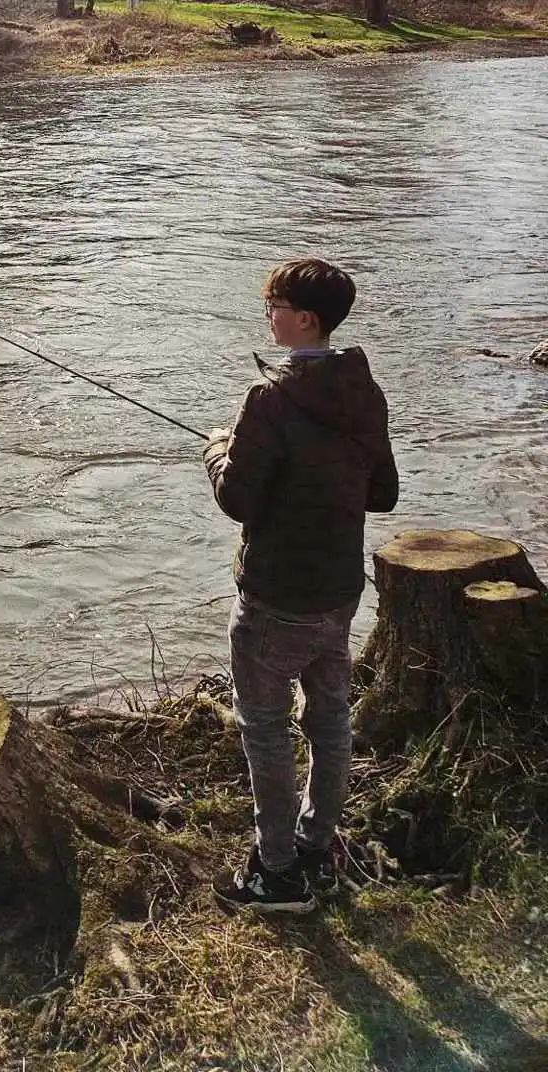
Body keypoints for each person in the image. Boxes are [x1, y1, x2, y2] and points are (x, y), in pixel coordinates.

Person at [203, 257, 399, 913]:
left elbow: (236, 498)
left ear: (306, 320)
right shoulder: (363, 390)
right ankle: (317, 845)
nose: (268, 316)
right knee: (329, 720)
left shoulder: (269, 399)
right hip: (340, 592)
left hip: (273, 601)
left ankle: (277, 874)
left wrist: (218, 449)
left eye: (276, 306)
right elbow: (385, 493)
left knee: (265, 731)